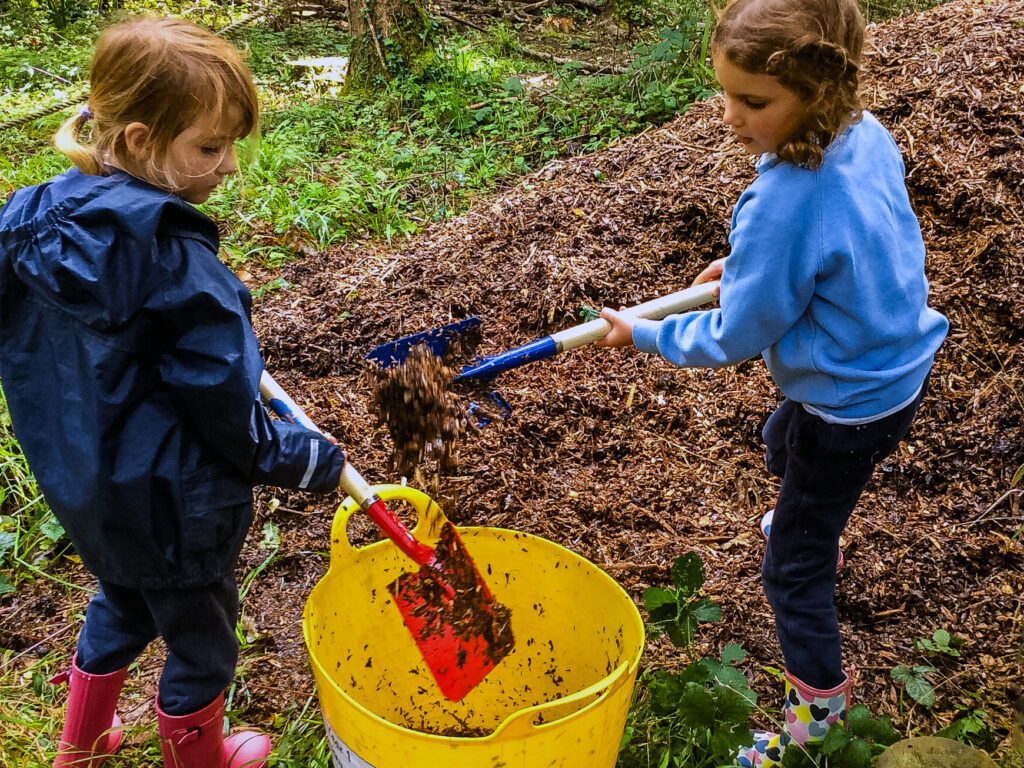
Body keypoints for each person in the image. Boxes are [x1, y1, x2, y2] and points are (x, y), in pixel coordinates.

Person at [597, 0, 948, 764]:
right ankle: (813, 524)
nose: (731, 116)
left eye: (753, 101)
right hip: (895, 366)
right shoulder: (865, 134)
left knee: (790, 572)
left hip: (848, 404)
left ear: (819, 90)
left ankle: (815, 731)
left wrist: (644, 331)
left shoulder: (788, 199)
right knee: (780, 439)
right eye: (724, 94)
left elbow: (736, 334)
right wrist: (756, 274)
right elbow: (839, 247)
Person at [0, 17, 346, 768]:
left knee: (119, 600)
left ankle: (81, 744)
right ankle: (201, 756)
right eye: (209, 147)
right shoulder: (178, 265)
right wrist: (306, 458)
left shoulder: (27, 218)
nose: (226, 167)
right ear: (135, 139)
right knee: (202, 639)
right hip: (173, 502)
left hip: (83, 483)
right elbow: (226, 407)